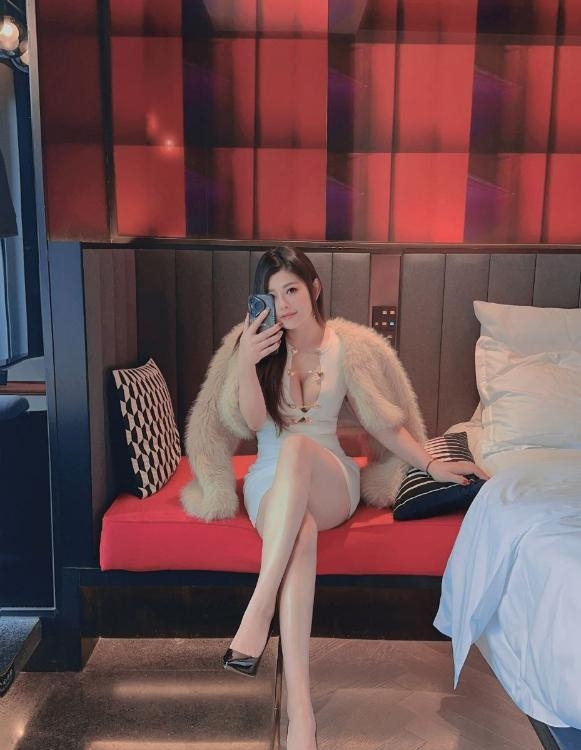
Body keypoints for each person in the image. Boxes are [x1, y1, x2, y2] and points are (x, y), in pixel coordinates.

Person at [181, 246, 489, 750]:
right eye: (273, 295)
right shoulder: (254, 345)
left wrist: (432, 464)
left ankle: (258, 609)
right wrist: (246, 361)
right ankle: (301, 714)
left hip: (330, 479)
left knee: (299, 446)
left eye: (292, 290)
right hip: (268, 481)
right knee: (298, 529)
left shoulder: (347, 348)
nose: (284, 305)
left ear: (314, 288)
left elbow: (383, 423)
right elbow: (253, 424)